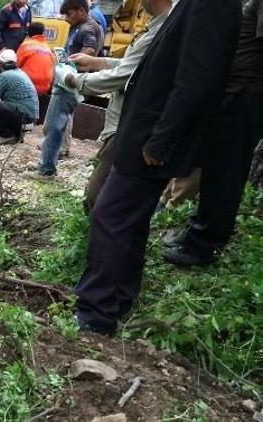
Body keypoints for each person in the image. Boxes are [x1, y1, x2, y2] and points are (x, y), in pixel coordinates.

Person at [73, 0, 241, 336]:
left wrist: (161, 141)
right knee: (129, 220)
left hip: (152, 137)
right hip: (143, 130)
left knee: (111, 215)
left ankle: (96, 314)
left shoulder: (215, 6)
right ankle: (118, 297)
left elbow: (197, 79)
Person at [163, 0, 263, 267]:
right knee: (213, 171)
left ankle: (202, 246)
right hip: (228, 94)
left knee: (225, 175)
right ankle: (197, 233)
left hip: (243, 95)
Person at [62, 0, 172, 211]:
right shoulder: (157, 25)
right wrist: (98, 63)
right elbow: (133, 65)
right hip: (123, 125)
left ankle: (99, 239)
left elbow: (125, 75)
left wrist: (73, 80)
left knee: (98, 199)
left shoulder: (164, 29)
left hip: (127, 126)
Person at [30, 0, 104, 178]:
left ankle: (46, 169)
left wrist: (68, 63)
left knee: (52, 125)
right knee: (60, 123)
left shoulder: (87, 28)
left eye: (69, 14)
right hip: (69, 81)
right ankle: (48, 161)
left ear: (80, 11)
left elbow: (90, 51)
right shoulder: (81, 25)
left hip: (69, 82)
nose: (65, 18)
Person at [0, 49, 39, 143]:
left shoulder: (4, 76)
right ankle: (14, 134)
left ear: (1, 63)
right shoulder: (20, 72)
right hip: (30, 119)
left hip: (23, 118)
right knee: (2, 105)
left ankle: (7, 135)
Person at [0, 0, 32, 96]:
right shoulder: (6, 11)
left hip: (19, 53)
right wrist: (2, 48)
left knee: (15, 77)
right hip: (4, 52)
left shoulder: (28, 11)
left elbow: (28, 30)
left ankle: (6, 102)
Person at [17, 22, 56, 96]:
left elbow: (15, 64)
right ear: (42, 33)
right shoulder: (47, 47)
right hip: (45, 87)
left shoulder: (26, 45)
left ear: (28, 31)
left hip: (27, 84)